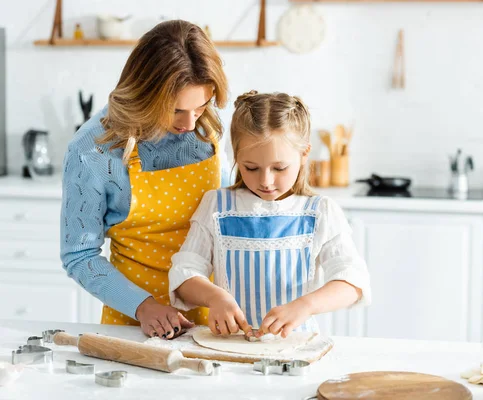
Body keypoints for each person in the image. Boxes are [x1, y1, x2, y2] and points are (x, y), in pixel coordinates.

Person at [60, 20, 230, 340]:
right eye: (176, 110)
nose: (190, 122)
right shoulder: (92, 150)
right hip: (134, 325)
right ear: (144, 93)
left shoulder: (206, 125)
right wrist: (144, 306)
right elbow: (78, 256)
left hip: (215, 319)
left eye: (202, 105)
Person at [168, 91, 371, 339]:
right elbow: (184, 274)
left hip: (296, 345)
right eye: (250, 167)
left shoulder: (321, 212)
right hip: (229, 345)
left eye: (279, 168)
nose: (265, 181)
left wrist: (305, 306)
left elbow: (353, 281)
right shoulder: (217, 206)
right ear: (236, 155)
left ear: (304, 154)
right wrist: (214, 297)